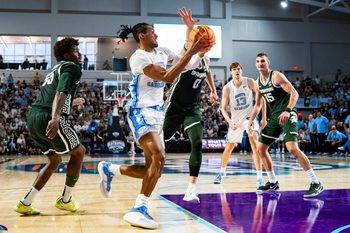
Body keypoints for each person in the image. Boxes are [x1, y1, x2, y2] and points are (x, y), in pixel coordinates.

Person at [97, 15, 209, 229]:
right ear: (142, 35)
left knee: (155, 167)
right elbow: (167, 76)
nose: (156, 35)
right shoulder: (138, 58)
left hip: (158, 113)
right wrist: (191, 53)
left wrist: (192, 33)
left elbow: (186, 63)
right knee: (158, 155)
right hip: (140, 111)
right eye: (152, 32)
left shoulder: (163, 52)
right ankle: (139, 208)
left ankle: (110, 169)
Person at [14, 38, 86, 215]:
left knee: (55, 160)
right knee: (79, 152)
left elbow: (55, 94)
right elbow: (60, 92)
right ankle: (66, 199)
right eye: (76, 51)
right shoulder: (72, 67)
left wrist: (71, 103)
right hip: (48, 116)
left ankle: (25, 202)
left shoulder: (55, 69)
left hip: (34, 117)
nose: (80, 54)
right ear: (67, 55)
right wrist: (55, 117)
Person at [248, 52, 323, 198]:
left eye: (263, 61)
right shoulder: (258, 83)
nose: (260, 63)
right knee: (260, 148)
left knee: (292, 148)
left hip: (287, 113)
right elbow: (257, 104)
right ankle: (272, 182)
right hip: (275, 116)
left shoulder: (276, 76)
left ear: (268, 62)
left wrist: (288, 110)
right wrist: (253, 119)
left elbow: (295, 93)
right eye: (257, 61)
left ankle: (315, 182)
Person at [163, 8, 218, 203]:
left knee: (197, 143)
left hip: (192, 108)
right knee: (161, 147)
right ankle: (149, 174)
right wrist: (189, 27)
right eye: (202, 40)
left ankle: (191, 189)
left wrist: (213, 90)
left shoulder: (206, 59)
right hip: (174, 107)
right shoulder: (188, 59)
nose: (205, 44)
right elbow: (188, 49)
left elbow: (208, 71)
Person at [213, 62, 266, 189]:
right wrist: (230, 122)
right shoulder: (227, 87)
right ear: (231, 72)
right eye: (234, 69)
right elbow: (223, 109)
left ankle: (259, 177)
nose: (237, 71)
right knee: (229, 147)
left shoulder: (249, 82)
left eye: (239, 69)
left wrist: (264, 117)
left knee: (254, 141)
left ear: (241, 71)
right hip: (235, 120)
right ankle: (221, 172)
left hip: (249, 118)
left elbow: (261, 97)